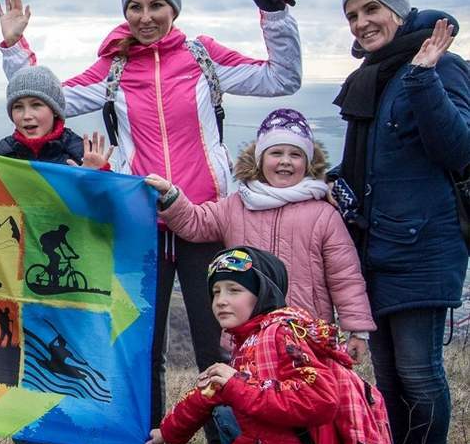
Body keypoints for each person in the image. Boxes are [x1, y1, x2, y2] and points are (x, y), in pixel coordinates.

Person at [0, 0, 303, 444]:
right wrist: (15, 45)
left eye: (155, 6)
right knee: (145, 343)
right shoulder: (114, 70)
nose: (144, 17)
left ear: (173, 9)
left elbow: (282, 77)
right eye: (134, 7)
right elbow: (45, 99)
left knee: (219, 338)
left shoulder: (203, 58)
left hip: (205, 217)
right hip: (142, 223)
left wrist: (273, 12)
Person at [150, 246, 404, 444]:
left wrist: (237, 384)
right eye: (216, 291)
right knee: (227, 407)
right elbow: (210, 393)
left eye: (234, 290)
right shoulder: (250, 339)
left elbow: (321, 399)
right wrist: (168, 432)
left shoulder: (280, 335)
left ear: (263, 292)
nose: (221, 300)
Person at [334, 0, 470, 444]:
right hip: (375, 246)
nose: (363, 23)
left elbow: (459, 149)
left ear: (397, 11)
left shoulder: (441, 66)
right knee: (387, 374)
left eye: (371, 10)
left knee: (418, 370)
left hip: (425, 244)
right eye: (353, 15)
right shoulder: (371, 75)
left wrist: (423, 78)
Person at [0, 64, 112, 444]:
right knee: (25, 372)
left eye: (37, 106)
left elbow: (106, 217)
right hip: (18, 283)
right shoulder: (4, 152)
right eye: (19, 107)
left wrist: (98, 176)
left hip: (70, 286)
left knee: (69, 370)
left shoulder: (79, 150)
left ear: (55, 109)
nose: (27, 116)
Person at [145, 107, 375, 364]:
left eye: (296, 154)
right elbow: (196, 222)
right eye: (276, 153)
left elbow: (345, 278)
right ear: (259, 160)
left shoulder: (323, 215)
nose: (285, 161)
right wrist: (171, 197)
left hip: (307, 336)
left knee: (303, 400)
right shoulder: (236, 206)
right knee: (249, 399)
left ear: (308, 163)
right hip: (246, 336)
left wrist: (357, 330)